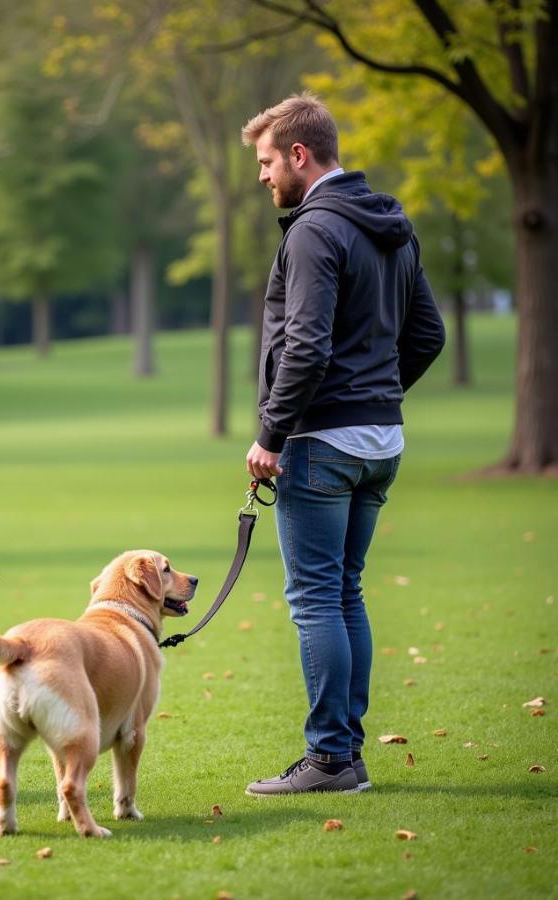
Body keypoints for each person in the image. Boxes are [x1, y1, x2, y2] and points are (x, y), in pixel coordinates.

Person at [240, 93, 445, 795]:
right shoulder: (392, 224)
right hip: (380, 440)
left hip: (321, 443)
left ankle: (330, 758)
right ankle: (344, 755)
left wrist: (270, 435)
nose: (263, 177)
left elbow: (307, 343)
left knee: (316, 599)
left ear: (300, 154)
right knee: (343, 590)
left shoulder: (312, 232)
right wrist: (376, 398)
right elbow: (429, 336)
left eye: (267, 162)